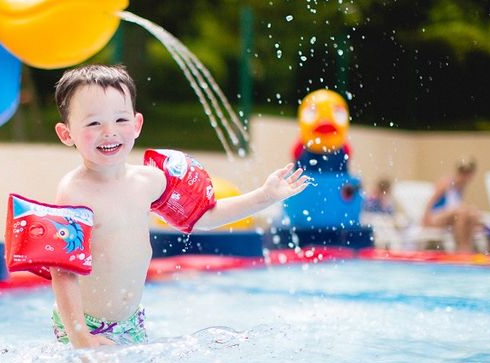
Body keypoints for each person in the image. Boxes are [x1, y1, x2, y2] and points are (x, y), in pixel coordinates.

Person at [49, 64, 310, 348]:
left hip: (131, 322)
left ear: (137, 125)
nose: (110, 132)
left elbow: (203, 217)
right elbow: (63, 270)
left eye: (120, 120)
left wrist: (264, 196)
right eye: (93, 123)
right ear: (66, 134)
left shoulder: (149, 180)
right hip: (84, 326)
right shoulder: (74, 192)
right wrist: (79, 336)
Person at [421, 158, 482, 253]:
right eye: (463, 173)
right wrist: (425, 219)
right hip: (435, 217)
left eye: (467, 174)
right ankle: (462, 247)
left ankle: (467, 245)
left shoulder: (461, 187)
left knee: (472, 213)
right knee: (461, 212)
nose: (464, 177)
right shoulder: (446, 183)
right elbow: (430, 201)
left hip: (450, 217)